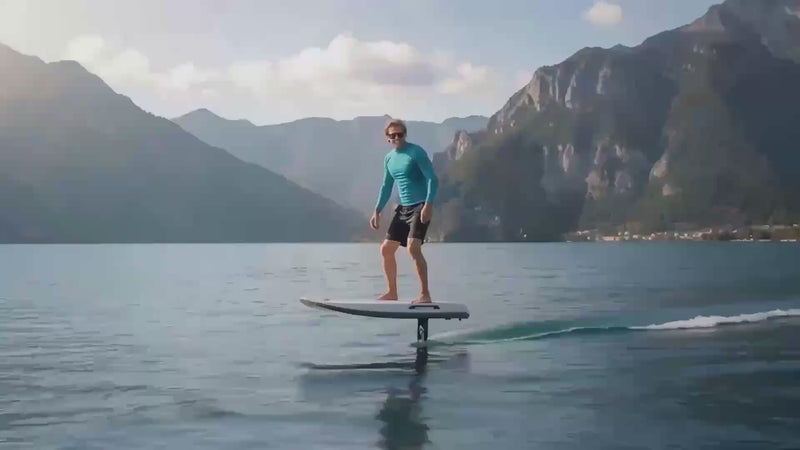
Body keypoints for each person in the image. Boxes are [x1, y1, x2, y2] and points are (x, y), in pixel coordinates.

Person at [370, 119, 438, 303]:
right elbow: (386, 186)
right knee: (386, 249)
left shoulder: (416, 152)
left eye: (400, 134)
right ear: (388, 138)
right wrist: (377, 210)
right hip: (403, 209)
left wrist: (428, 204)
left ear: (405, 135)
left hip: (420, 205)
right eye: (393, 135)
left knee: (413, 248)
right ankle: (392, 292)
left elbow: (432, 179)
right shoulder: (389, 158)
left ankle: (425, 294)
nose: (397, 138)